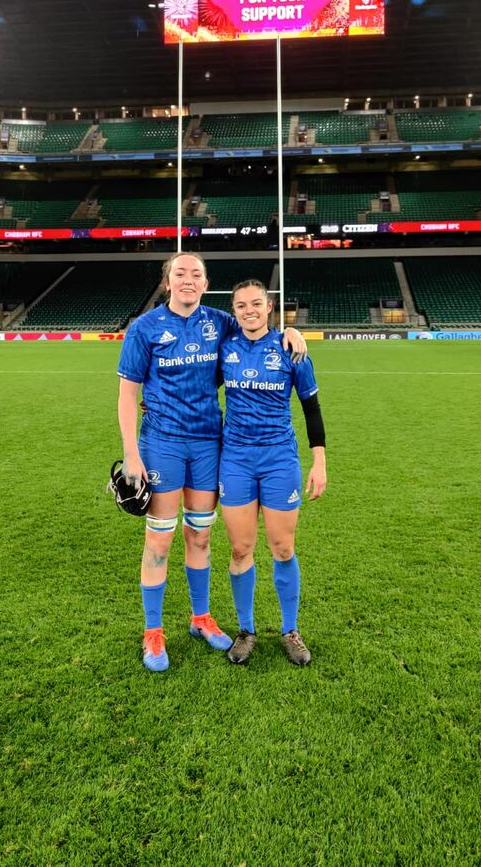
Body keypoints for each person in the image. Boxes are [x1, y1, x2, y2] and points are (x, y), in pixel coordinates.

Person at [117, 252, 307, 673]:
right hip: (162, 445)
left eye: (196, 274)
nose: (188, 280)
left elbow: (258, 327)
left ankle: (200, 618)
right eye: (180, 273)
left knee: (200, 538)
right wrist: (132, 453)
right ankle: (153, 631)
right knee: (160, 540)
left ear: (206, 284)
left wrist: (290, 330)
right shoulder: (143, 329)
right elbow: (128, 393)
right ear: (168, 282)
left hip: (208, 445)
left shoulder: (220, 322)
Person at [218, 279, 326, 666]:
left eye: (256, 303)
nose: (248, 310)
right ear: (234, 311)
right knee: (240, 548)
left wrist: (320, 462)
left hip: (280, 459)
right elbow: (194, 385)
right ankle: (246, 630)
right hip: (235, 461)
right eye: (241, 305)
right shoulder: (224, 348)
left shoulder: (290, 350)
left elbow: (311, 409)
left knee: (283, 548)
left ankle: (290, 629)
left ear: (268, 308)